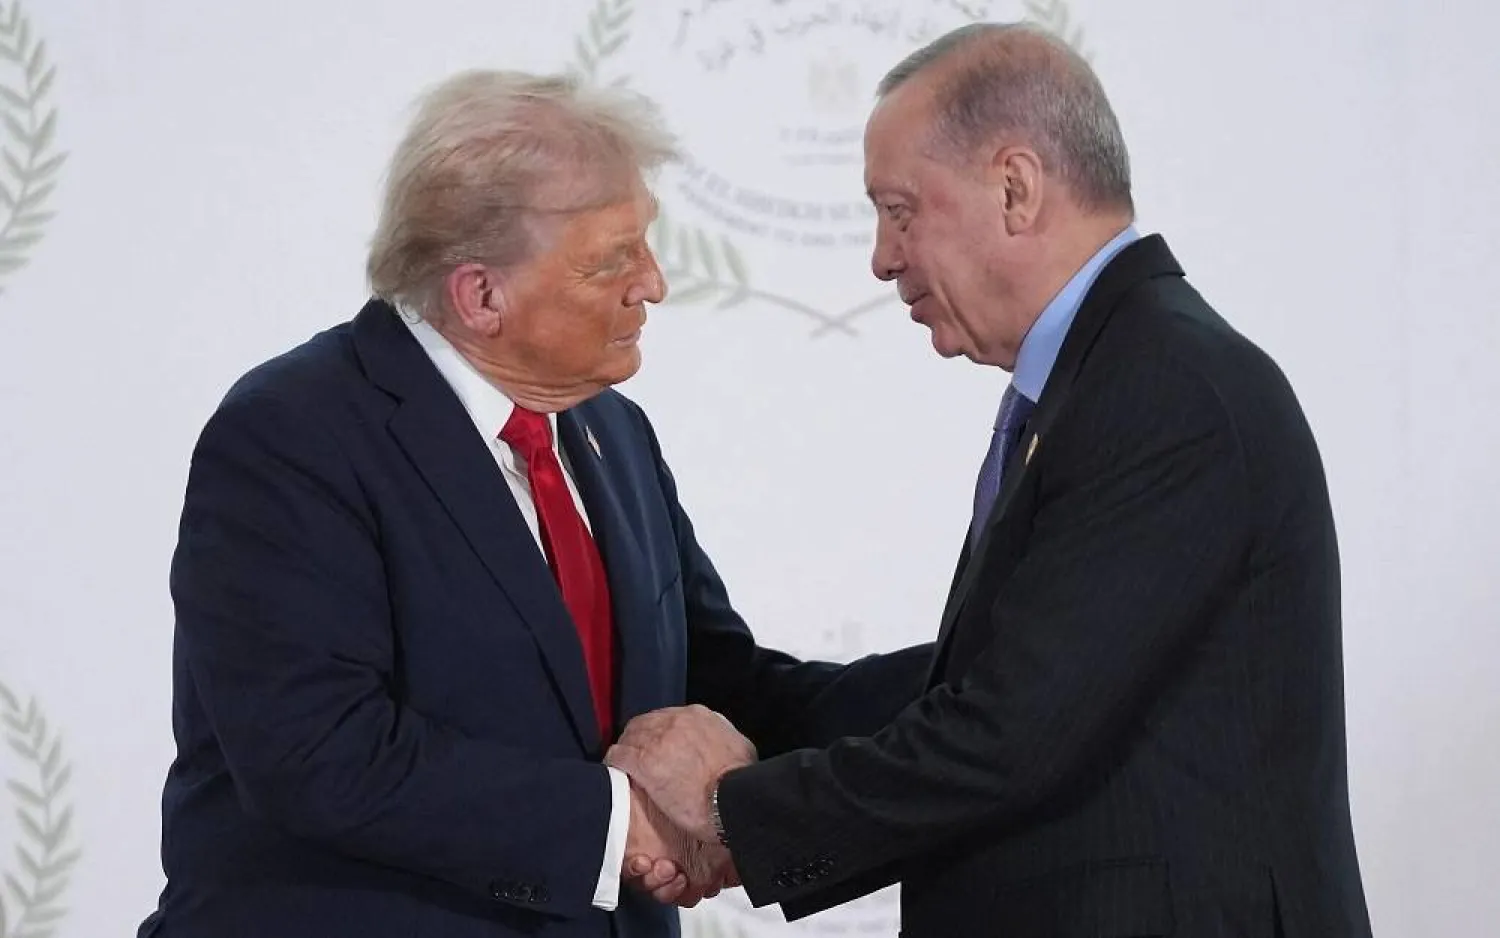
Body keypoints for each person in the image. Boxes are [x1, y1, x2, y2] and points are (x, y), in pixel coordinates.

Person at [606, 23, 1375, 938]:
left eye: (899, 210)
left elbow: (1010, 735)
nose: (882, 258)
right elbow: (994, 688)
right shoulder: (1115, 375)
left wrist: (731, 808)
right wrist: (750, 719)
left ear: (1015, 187)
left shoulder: (1167, 388)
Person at [135, 70, 929, 938]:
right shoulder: (293, 436)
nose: (654, 283)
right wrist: (623, 822)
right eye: (611, 258)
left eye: (647, 245)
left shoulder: (610, 433)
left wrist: (977, 678)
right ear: (480, 296)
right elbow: (317, 755)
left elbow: (716, 685)